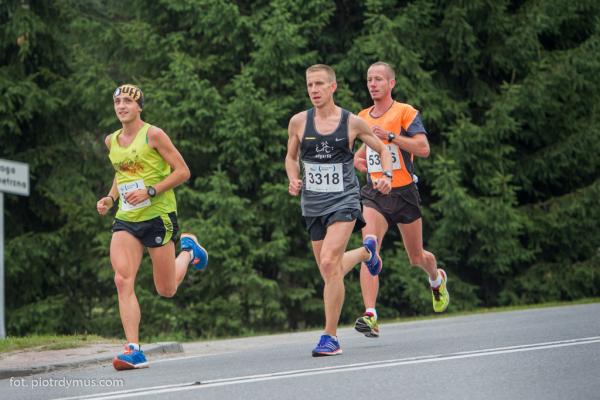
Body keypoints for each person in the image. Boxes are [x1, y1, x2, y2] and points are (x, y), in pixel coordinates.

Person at [96, 84, 208, 370]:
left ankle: (188, 251)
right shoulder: (112, 140)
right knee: (122, 279)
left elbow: (183, 171)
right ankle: (133, 349)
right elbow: (122, 174)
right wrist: (110, 198)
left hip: (158, 215)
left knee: (166, 289)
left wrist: (151, 191)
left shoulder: (153, 134)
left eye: (128, 102)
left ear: (139, 107)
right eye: (117, 102)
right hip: (127, 218)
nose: (122, 106)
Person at [285, 64, 393, 356]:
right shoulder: (298, 122)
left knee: (330, 263)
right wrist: (293, 178)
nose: (314, 90)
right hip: (313, 204)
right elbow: (291, 157)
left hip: (344, 201)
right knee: (327, 269)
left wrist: (386, 176)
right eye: (310, 85)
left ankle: (330, 337)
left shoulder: (350, 122)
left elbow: (381, 150)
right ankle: (366, 253)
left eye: (320, 84)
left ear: (333, 87)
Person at [353, 62, 450, 338]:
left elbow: (423, 148)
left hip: (404, 194)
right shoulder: (362, 116)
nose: (373, 84)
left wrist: (392, 137)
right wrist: (361, 163)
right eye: (369, 79)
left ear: (391, 83)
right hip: (374, 194)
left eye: (379, 79)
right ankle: (370, 315)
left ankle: (436, 278)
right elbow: (361, 155)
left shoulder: (405, 112)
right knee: (369, 248)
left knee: (416, 256)